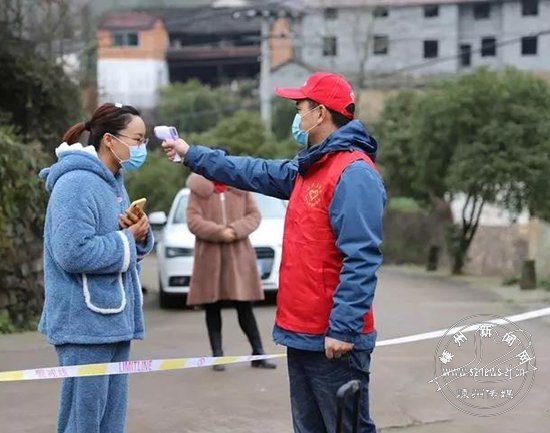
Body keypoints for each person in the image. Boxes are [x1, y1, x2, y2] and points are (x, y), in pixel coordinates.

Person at [162, 72, 385, 433]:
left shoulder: (353, 173)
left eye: (300, 107)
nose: (297, 116)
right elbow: (251, 171)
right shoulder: (309, 168)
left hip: (333, 338)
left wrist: (343, 328)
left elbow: (361, 259)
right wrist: (192, 154)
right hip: (302, 333)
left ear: (320, 113)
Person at [39, 102, 154, 433]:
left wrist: (137, 232)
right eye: (137, 139)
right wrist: (127, 240)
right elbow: (72, 252)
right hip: (83, 324)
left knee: (109, 422)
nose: (141, 148)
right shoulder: (75, 184)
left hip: (114, 321)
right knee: (83, 423)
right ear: (109, 140)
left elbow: (117, 242)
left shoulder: (113, 181)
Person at [185, 173, 276, 371]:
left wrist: (234, 230)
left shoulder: (240, 187)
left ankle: (258, 353)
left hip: (239, 255)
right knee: (212, 307)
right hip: (209, 258)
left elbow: (254, 215)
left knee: (245, 306)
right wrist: (219, 232)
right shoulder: (198, 190)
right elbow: (193, 220)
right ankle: (217, 356)